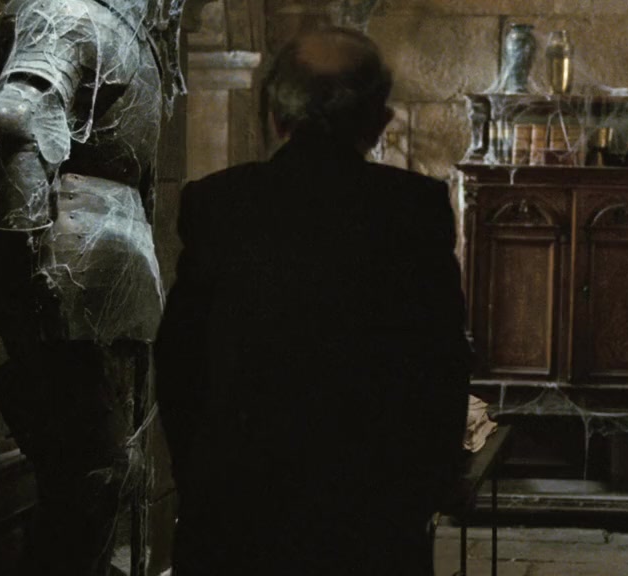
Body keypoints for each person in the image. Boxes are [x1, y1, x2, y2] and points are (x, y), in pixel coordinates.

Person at [155, 27, 471, 576]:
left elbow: (180, 361)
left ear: (277, 116)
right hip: (370, 524)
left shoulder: (218, 204)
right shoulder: (414, 210)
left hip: (235, 517)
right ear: (378, 123)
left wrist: (201, 479)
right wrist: (420, 495)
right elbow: (440, 367)